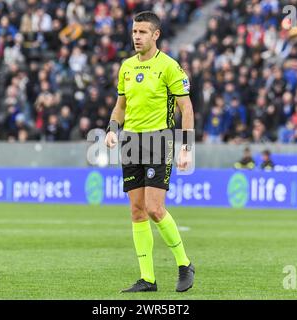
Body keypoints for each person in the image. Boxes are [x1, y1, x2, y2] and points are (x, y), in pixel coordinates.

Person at [104, 11, 195, 293]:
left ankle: (184, 263)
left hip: (158, 140)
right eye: (134, 32)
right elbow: (121, 105)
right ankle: (148, 279)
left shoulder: (169, 66)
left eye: (143, 32)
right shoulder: (126, 67)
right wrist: (111, 128)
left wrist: (186, 148)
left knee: (155, 209)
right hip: (130, 141)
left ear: (156, 35)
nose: (137, 37)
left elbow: (186, 108)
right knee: (137, 211)